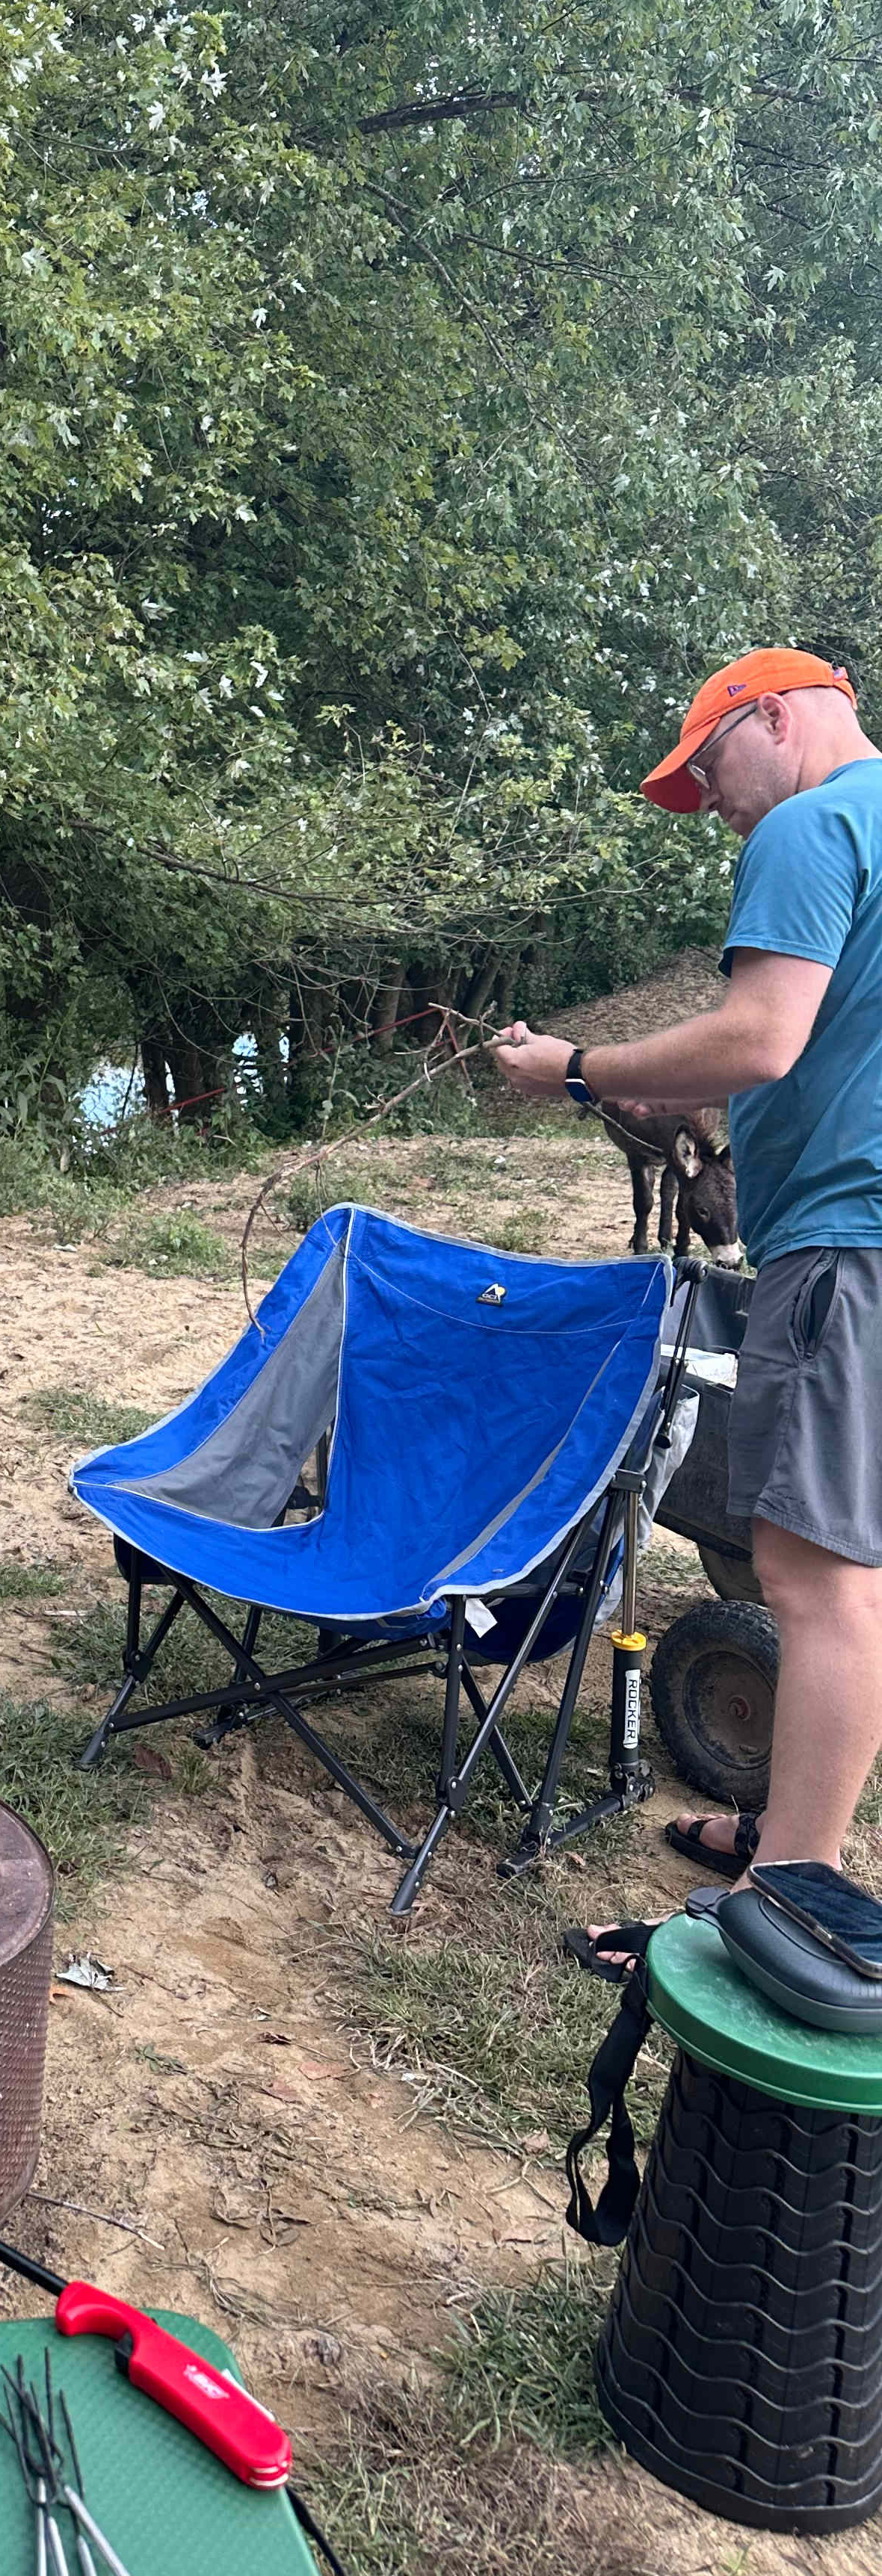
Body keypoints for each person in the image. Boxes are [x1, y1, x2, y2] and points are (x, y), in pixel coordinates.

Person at [490, 647, 882, 1958]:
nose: (711, 801)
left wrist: (573, 1069)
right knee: (847, 1559)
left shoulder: (809, 821)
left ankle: (783, 1901)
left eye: (707, 768)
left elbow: (757, 1034)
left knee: (810, 1575)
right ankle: (785, 1832)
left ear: (775, 716)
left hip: (843, 1244)